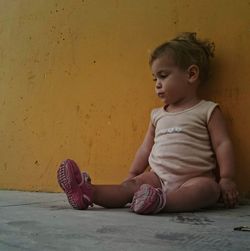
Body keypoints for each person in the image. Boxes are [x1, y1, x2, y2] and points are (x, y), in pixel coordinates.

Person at [57, 32, 239, 214]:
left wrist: (226, 178)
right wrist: (132, 175)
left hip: (194, 179)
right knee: (131, 187)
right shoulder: (157, 115)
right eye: (155, 79)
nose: (157, 84)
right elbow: (145, 148)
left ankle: (161, 202)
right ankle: (87, 192)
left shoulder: (207, 110)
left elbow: (222, 143)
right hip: (156, 178)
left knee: (209, 189)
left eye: (163, 75)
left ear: (191, 74)